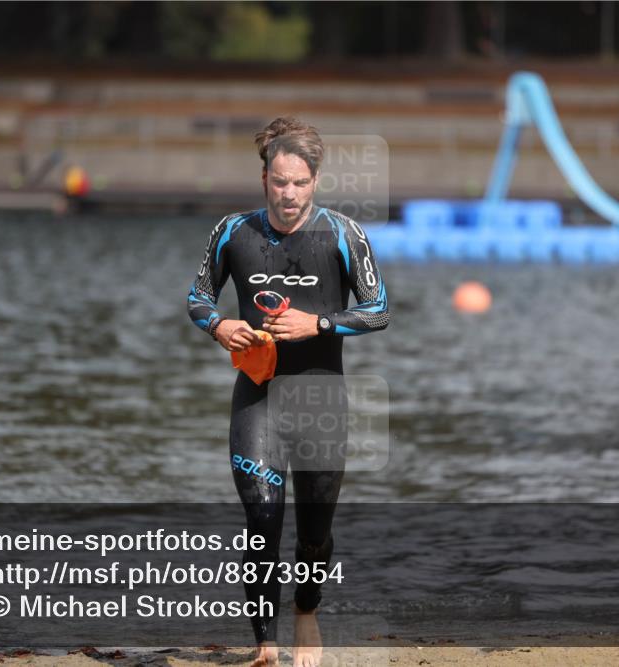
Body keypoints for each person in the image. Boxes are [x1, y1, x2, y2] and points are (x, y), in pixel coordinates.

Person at [187, 117, 390, 667]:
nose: (289, 194)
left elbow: (378, 311)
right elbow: (198, 296)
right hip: (259, 399)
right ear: (264, 179)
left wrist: (317, 325)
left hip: (321, 403)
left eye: (299, 183)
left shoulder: (344, 234)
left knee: (313, 539)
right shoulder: (233, 231)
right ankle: (264, 646)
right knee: (262, 522)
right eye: (279, 182)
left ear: (315, 182)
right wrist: (218, 326)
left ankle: (306, 609)